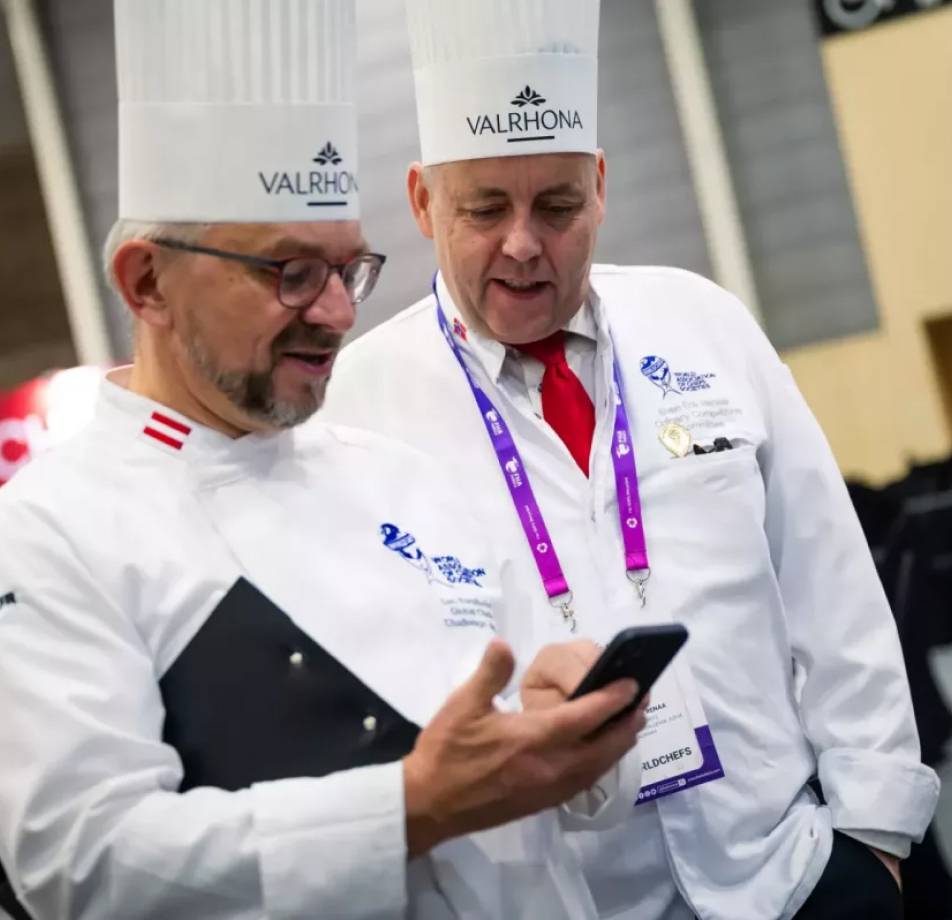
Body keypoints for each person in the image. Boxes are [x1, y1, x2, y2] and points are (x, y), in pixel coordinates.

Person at [0, 2, 648, 918]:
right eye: (291, 273)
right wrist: (410, 807)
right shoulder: (54, 533)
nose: (340, 314)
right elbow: (81, 863)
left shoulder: (403, 480)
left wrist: (563, 728)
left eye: (349, 270)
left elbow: (538, 789)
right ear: (148, 283)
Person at [320, 0, 941, 917]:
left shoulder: (703, 324)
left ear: (602, 186)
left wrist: (875, 839)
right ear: (421, 201)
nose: (523, 243)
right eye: (484, 208)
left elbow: (832, 588)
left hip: (795, 872)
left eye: (558, 205)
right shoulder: (356, 412)